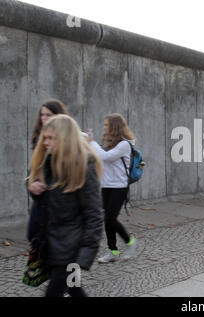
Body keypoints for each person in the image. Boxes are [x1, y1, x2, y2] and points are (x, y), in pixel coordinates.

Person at [27, 114, 103, 297]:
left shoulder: (84, 166)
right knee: (74, 289)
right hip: (52, 244)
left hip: (71, 251)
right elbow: (42, 195)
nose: (45, 142)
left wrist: (84, 256)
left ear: (64, 139)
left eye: (50, 138)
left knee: (55, 293)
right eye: (45, 137)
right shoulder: (49, 161)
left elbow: (94, 215)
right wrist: (33, 187)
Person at [88, 113, 137, 263]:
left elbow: (106, 157)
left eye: (106, 125)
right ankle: (113, 251)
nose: (104, 128)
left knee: (110, 219)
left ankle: (130, 241)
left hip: (119, 187)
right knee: (107, 220)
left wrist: (92, 143)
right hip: (106, 185)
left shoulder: (124, 144)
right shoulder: (109, 143)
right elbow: (101, 158)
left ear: (114, 127)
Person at [27, 100, 68, 243]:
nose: (44, 118)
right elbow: (32, 171)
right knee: (34, 235)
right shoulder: (39, 138)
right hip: (42, 200)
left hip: (62, 202)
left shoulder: (68, 139)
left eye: (48, 115)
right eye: (42, 114)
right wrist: (32, 184)